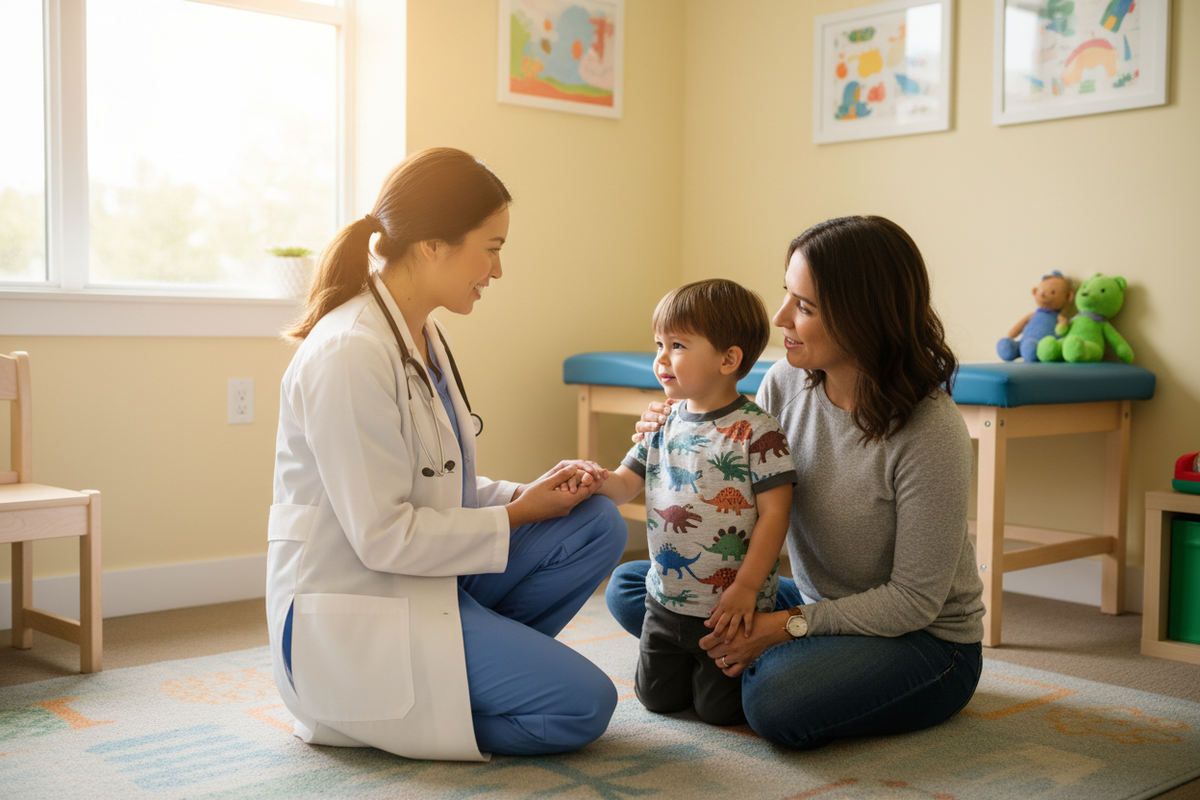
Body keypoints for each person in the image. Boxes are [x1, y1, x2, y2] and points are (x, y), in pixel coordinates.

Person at [266, 147, 626, 761]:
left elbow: (437, 483)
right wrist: (517, 516)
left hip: (422, 583)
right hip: (355, 610)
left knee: (594, 524)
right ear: (432, 244)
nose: (498, 270)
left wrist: (526, 495)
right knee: (583, 705)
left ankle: (468, 667)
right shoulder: (350, 352)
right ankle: (393, 715)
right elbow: (383, 536)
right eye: (491, 248)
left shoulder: (422, 332)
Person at [606, 216, 986, 749]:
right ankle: (735, 657)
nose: (781, 316)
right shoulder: (787, 382)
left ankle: (752, 663)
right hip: (810, 597)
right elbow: (732, 470)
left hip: (922, 641)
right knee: (636, 589)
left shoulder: (930, 430)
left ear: (864, 318)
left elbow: (913, 602)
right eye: (787, 294)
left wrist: (783, 628)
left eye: (803, 306)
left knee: (775, 700)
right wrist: (674, 423)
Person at [573, 279, 796, 726]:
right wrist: (592, 480)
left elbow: (776, 514)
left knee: (719, 711)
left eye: (677, 345)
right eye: (658, 344)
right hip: (665, 599)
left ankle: (783, 643)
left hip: (728, 611)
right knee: (657, 700)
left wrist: (748, 589)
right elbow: (624, 483)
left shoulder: (759, 431)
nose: (660, 358)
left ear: (728, 359)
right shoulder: (662, 422)